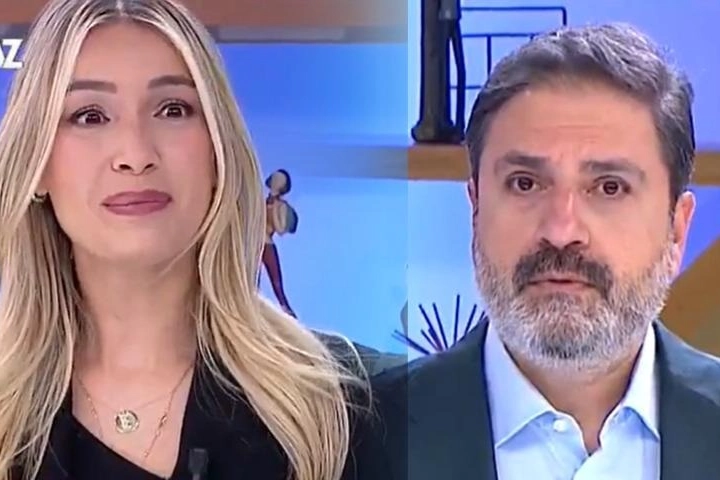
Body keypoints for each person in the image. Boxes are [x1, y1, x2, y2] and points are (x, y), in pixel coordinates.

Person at [0, 0, 400, 479]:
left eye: (173, 109)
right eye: (90, 116)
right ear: (38, 164)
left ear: (217, 149)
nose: (135, 155)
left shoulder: (346, 407)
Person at [375, 23, 720, 479]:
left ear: (676, 229)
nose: (561, 232)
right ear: (475, 208)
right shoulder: (362, 440)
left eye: (609, 187)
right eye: (525, 183)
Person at [261, 169, 298, 317]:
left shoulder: (281, 206)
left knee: (276, 282)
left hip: (267, 242)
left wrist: (274, 210)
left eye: (279, 179)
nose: (275, 180)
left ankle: (287, 312)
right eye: (275, 177)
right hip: (255, 242)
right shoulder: (263, 200)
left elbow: (281, 229)